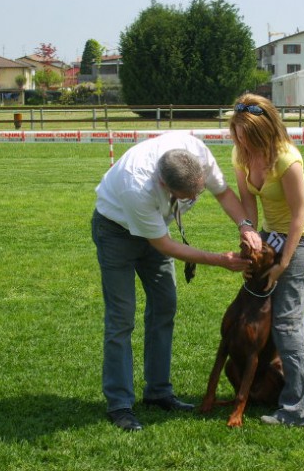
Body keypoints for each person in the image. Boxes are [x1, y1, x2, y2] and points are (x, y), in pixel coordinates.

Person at [91, 131, 262, 432]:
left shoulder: (196, 153)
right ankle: (120, 404)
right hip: (116, 231)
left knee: (165, 307)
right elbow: (164, 246)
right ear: (163, 185)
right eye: (187, 198)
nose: (194, 200)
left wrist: (245, 225)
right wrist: (220, 260)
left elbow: (223, 193)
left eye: (197, 194)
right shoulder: (138, 186)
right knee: (121, 318)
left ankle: (158, 392)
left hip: (157, 230)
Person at [229, 93, 304, 427]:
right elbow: (248, 204)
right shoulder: (241, 156)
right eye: (238, 135)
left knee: (287, 320)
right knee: (254, 310)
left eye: (249, 137)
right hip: (271, 237)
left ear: (266, 131)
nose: (243, 142)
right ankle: (268, 383)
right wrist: (250, 235)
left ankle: (300, 411)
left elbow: (299, 215)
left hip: (303, 239)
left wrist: (284, 262)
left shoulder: (287, 159)